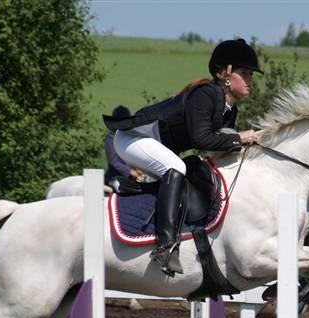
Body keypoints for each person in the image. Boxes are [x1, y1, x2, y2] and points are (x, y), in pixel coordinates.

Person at [104, 38, 262, 276]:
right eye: (244, 73)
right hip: (131, 138)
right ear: (224, 74)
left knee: (189, 168)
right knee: (177, 167)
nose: (250, 79)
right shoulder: (207, 94)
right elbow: (202, 139)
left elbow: (216, 148)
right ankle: (165, 246)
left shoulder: (230, 109)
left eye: (251, 74)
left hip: (154, 144)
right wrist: (239, 138)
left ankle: (133, 189)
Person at [104, 105, 145, 193]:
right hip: (114, 177)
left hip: (130, 176)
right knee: (122, 190)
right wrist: (130, 171)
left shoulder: (129, 136)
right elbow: (114, 162)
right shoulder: (111, 138)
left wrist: (138, 167)